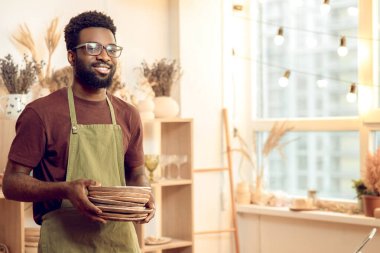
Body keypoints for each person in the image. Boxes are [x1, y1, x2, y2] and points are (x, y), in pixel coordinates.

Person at [2, 10, 154, 252]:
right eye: (93, 48)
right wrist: (65, 189)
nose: (104, 56)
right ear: (71, 57)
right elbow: (11, 184)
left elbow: (136, 174)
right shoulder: (41, 113)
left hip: (120, 243)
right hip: (63, 242)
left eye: (111, 49)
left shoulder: (129, 114)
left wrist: (145, 195)